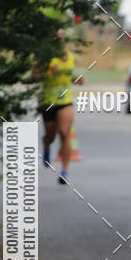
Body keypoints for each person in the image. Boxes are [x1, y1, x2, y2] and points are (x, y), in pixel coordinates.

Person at [35, 30, 83, 185]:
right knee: (51, 135)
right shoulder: (46, 58)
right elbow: (34, 76)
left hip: (65, 100)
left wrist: (78, 80)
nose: (60, 40)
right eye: (56, 37)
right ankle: (46, 145)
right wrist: (47, 72)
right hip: (48, 101)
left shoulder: (70, 57)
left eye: (62, 37)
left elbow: (69, 76)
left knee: (64, 132)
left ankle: (64, 171)